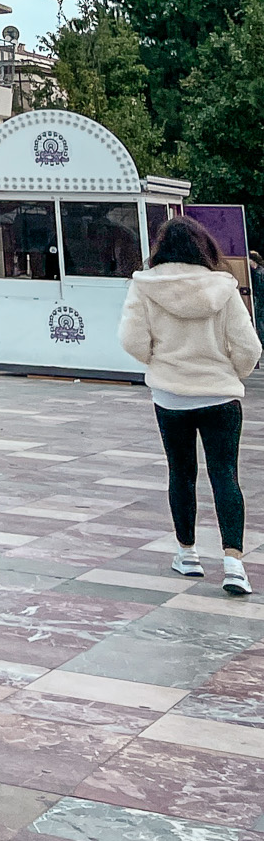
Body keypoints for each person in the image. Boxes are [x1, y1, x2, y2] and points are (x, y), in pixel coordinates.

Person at [120, 215, 262, 597]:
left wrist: (159, 362)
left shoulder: (144, 287)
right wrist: (232, 374)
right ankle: (234, 564)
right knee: (225, 475)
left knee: (181, 473)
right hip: (220, 396)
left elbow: (131, 340)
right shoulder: (224, 288)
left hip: (170, 396)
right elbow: (249, 347)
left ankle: (187, 554)